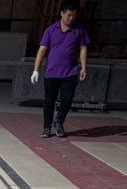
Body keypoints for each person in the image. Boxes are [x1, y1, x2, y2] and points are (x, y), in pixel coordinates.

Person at [30, 1, 89, 138]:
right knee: (49, 101)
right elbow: (42, 50)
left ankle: (59, 123)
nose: (71, 18)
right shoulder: (51, 30)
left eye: (74, 15)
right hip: (52, 72)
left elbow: (83, 49)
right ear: (62, 14)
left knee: (67, 99)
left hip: (70, 72)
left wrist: (83, 67)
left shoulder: (79, 30)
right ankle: (46, 127)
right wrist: (36, 70)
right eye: (69, 15)